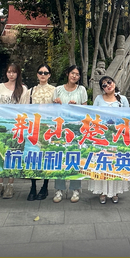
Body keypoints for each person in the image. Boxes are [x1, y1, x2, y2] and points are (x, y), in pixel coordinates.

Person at [89, 76, 130, 203]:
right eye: (104, 85)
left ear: (114, 82)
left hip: (117, 137)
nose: (107, 86)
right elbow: (92, 116)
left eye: (109, 82)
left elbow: (128, 117)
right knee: (102, 163)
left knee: (115, 163)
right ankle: (102, 191)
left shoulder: (122, 99)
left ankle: (114, 192)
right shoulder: (98, 99)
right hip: (102, 137)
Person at [0, 63, 27, 199]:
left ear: (18, 74)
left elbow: (25, 108)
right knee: (0, 154)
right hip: (1, 125)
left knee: (13, 155)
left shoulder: (23, 89)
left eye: (14, 72)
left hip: (16, 126)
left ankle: (10, 186)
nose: (11, 75)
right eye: (9, 72)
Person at [52, 65, 87, 203]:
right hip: (60, 129)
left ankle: (75, 189)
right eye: (73, 73)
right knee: (59, 158)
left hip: (76, 129)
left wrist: (76, 106)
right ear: (67, 74)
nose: (74, 76)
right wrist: (55, 103)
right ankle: (59, 189)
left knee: (74, 158)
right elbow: (53, 111)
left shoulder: (82, 90)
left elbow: (85, 110)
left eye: (77, 74)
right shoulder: (58, 90)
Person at [21, 64, 55, 201]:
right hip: (33, 126)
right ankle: (33, 186)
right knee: (33, 156)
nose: (43, 75)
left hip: (49, 127)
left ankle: (45, 186)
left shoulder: (55, 90)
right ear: (37, 74)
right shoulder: (30, 91)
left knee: (47, 156)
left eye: (45, 73)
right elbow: (23, 109)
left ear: (49, 75)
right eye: (40, 72)